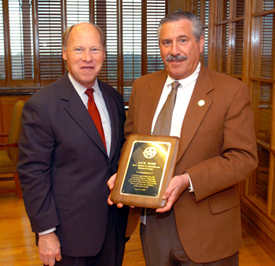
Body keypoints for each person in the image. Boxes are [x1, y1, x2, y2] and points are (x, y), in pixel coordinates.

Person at [108, 11, 258, 266]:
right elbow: (131, 141)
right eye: (167, 42)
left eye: (183, 40)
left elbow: (243, 158)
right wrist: (124, 175)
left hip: (208, 228)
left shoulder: (231, 91)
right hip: (152, 226)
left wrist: (187, 180)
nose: (174, 50)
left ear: (200, 43)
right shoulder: (142, 87)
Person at [17, 22, 128, 266]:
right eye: (78, 50)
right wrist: (46, 232)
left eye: (95, 50)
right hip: (68, 235)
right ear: (65, 53)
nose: (87, 58)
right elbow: (33, 172)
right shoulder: (42, 105)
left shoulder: (114, 98)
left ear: (104, 54)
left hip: (113, 230)